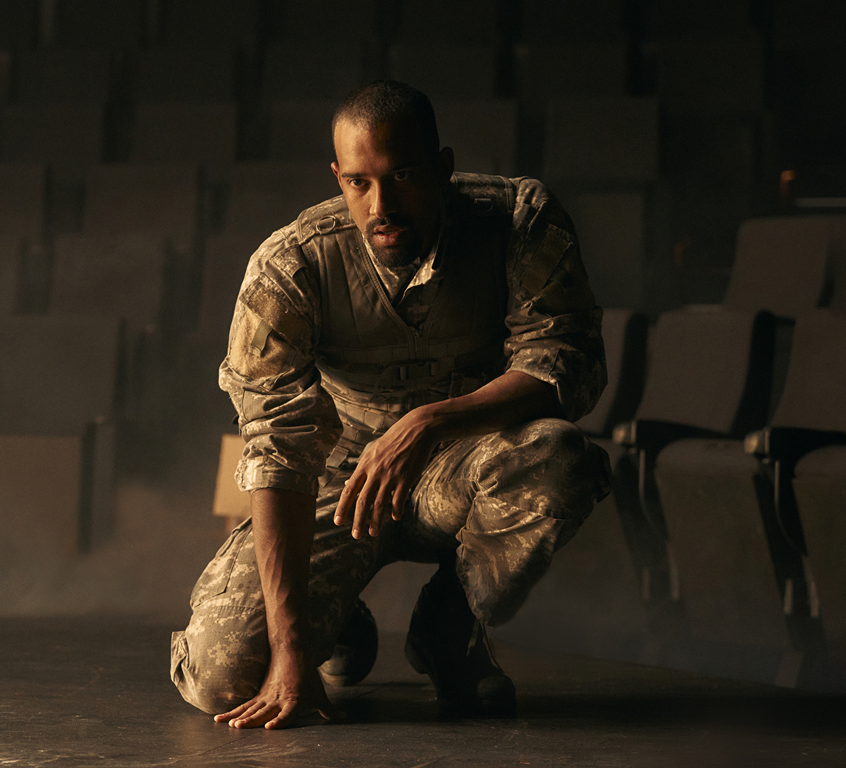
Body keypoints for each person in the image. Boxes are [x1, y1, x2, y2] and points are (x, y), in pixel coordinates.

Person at [171, 81, 611, 729]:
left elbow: (567, 365)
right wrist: (290, 652)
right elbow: (275, 449)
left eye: (402, 176)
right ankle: (338, 622)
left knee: (558, 458)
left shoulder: (517, 219)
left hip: (465, 462)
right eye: (359, 182)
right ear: (337, 178)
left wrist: (431, 423)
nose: (381, 204)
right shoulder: (290, 266)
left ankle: (447, 628)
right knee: (219, 680)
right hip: (341, 482)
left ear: (442, 167)